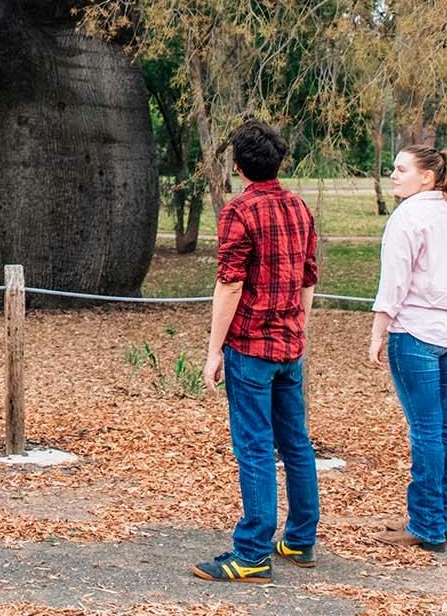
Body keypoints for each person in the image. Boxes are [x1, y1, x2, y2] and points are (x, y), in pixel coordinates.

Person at [193, 120, 321, 586]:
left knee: (254, 447)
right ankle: (301, 539)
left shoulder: (238, 211)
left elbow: (230, 284)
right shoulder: (299, 208)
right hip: (289, 345)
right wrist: (297, 327)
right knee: (295, 443)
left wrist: (213, 352)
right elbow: (308, 278)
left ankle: (251, 553)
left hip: (250, 346)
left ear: (238, 164)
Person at [369, 145, 447, 550]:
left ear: (427, 177)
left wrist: (378, 332)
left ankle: (427, 525)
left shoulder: (408, 218)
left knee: (427, 430)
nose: (393, 175)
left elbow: (394, 284)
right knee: (444, 425)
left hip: (416, 331)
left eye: (401, 169)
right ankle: (442, 516)